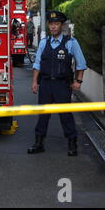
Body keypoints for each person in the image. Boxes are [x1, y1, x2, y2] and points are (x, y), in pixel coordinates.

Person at [28, 11, 87, 156]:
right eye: (51, 24)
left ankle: (72, 144)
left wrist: (78, 81)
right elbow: (37, 64)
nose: (53, 27)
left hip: (62, 85)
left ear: (62, 25)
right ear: (48, 25)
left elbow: (81, 64)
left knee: (65, 115)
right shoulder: (44, 42)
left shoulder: (70, 43)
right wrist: (35, 81)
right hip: (46, 84)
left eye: (57, 24)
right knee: (43, 115)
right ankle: (39, 143)